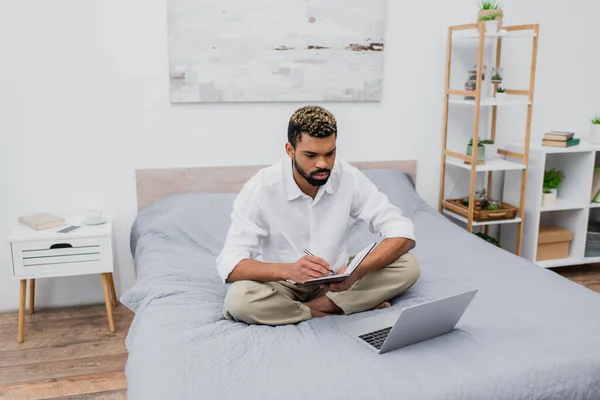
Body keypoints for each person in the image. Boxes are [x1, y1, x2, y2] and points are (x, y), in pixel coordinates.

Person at [216, 105, 420, 326]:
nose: (323, 164)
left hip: (337, 279)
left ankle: (309, 309)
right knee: (239, 300)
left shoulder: (348, 177)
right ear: (290, 150)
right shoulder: (261, 187)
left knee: (407, 266)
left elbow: (402, 231)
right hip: (281, 283)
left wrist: (356, 272)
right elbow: (230, 263)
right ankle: (331, 310)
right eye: (311, 155)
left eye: (330, 153)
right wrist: (289, 270)